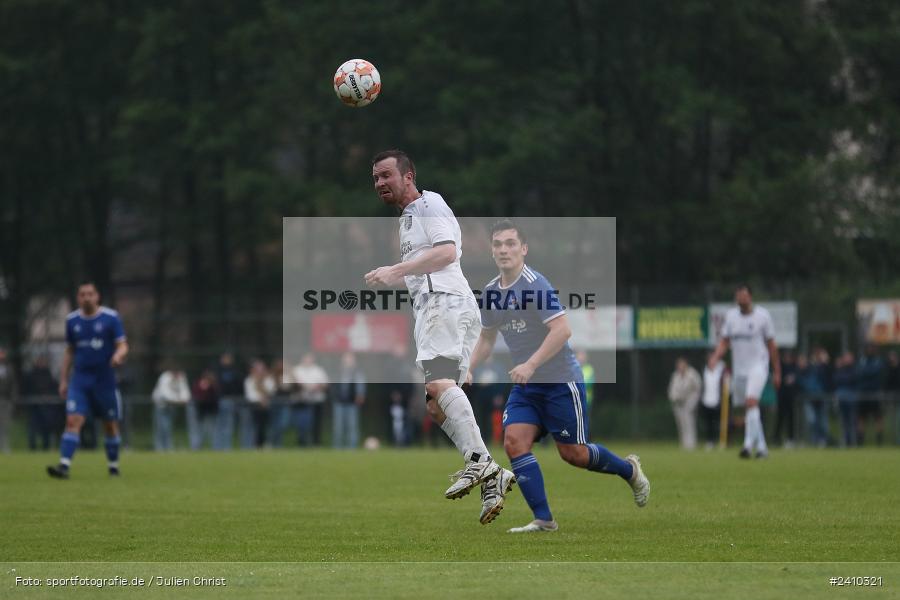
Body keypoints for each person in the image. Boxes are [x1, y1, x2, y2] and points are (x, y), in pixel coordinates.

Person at [467, 220, 649, 533]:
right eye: (497, 244)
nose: (503, 249)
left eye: (510, 243)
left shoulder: (535, 284)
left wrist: (531, 364)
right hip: (526, 386)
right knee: (514, 442)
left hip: (559, 382)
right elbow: (486, 339)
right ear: (491, 251)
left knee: (574, 454)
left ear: (523, 249)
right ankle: (544, 520)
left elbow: (562, 330)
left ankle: (628, 470)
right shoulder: (491, 293)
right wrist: (468, 367)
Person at [366, 150, 511, 523]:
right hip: (450, 304)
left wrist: (398, 270)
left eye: (387, 175)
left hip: (441, 302)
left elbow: (446, 252)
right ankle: (493, 476)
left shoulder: (429, 204)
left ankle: (479, 462)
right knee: (436, 402)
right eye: (376, 178)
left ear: (408, 176)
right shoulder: (410, 218)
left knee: (437, 386)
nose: (380, 183)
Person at [47, 282, 129, 478]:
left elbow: (123, 345)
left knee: (110, 425)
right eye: (82, 294)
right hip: (81, 380)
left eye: (90, 294)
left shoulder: (111, 318)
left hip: (105, 380)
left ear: (97, 296)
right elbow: (69, 351)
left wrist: (119, 355)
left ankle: (113, 466)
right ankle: (64, 466)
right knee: (73, 420)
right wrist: (64, 380)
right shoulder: (72, 320)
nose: (86, 298)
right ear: (78, 298)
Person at [709, 284, 781, 459]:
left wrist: (777, 371)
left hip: (759, 366)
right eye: (738, 296)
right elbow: (724, 341)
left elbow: (772, 345)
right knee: (750, 408)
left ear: (750, 297)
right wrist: (715, 357)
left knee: (751, 402)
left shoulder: (763, 316)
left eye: (744, 295)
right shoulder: (731, 317)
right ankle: (762, 448)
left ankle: (748, 445)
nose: (741, 299)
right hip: (740, 370)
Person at [23, 356, 60, 451]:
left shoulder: (49, 374)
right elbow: (27, 388)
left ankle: (46, 447)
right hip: (34, 406)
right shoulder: (31, 375)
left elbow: (54, 388)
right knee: (32, 429)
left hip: (47, 407)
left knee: (46, 429)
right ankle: (32, 448)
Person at [292, 352, 328, 447]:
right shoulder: (296, 370)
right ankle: (302, 443)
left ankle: (316, 443)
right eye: (306, 358)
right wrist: (301, 387)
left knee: (316, 423)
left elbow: (325, 384)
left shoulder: (319, 370)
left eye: (310, 358)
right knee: (302, 423)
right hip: (301, 401)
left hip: (316, 400)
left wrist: (316, 387)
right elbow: (292, 384)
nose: (308, 361)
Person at [151, 366, 191, 451]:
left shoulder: (181, 377)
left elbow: (185, 393)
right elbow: (165, 394)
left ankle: (168, 447)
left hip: (171, 406)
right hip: (160, 406)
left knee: (168, 427)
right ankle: (159, 448)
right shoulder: (165, 377)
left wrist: (182, 399)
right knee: (160, 427)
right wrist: (178, 400)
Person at [333, 352, 365, 449]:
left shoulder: (357, 372)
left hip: (352, 403)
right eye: (346, 358)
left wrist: (360, 396)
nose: (348, 361)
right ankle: (337, 447)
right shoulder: (338, 371)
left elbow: (361, 385)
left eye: (350, 359)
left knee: (352, 426)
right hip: (339, 402)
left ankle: (352, 447)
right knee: (338, 427)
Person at [668, 357, 702, 450]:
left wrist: (693, 401)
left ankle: (691, 444)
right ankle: (684, 444)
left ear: (686, 365)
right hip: (678, 403)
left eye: (682, 365)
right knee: (681, 424)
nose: (681, 367)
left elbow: (698, 388)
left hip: (690, 402)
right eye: (679, 365)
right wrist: (674, 398)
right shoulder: (675, 376)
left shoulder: (692, 374)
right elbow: (672, 390)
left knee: (689, 423)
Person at [856, 345, 885, 446]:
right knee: (861, 417)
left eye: (872, 348)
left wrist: (866, 372)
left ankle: (879, 439)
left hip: (875, 393)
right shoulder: (862, 361)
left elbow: (874, 371)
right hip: (863, 393)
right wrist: (868, 372)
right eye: (868, 348)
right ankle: (860, 440)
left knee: (878, 417)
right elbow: (859, 372)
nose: (870, 350)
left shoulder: (878, 361)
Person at [243, 359, 275, 448]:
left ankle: (265, 443)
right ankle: (255, 444)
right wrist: (261, 399)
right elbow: (250, 395)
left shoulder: (268, 379)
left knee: (266, 426)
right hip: (255, 406)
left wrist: (261, 387)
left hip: (266, 406)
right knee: (255, 426)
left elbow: (271, 391)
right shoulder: (249, 380)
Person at [701, 352, 727, 450]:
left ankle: (721, 441)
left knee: (718, 423)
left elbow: (725, 369)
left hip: (718, 401)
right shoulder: (705, 370)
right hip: (706, 401)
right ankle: (709, 441)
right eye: (710, 360)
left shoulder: (720, 370)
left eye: (714, 360)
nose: (712, 362)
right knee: (708, 424)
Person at [833, 351, 858, 448]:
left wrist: (843, 378)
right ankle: (845, 441)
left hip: (851, 399)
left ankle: (853, 442)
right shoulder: (840, 369)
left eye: (849, 358)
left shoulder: (854, 369)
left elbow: (852, 379)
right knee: (843, 422)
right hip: (842, 399)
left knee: (852, 421)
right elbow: (836, 379)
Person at [775, 350, 798, 448]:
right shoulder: (781, 368)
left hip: (790, 397)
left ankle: (790, 438)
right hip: (782, 397)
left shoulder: (794, 367)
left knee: (791, 418)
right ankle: (776, 438)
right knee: (780, 418)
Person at [190, 369, 219, 449]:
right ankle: (196, 447)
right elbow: (196, 397)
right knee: (197, 430)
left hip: (210, 411)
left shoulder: (214, 386)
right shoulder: (197, 384)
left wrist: (210, 388)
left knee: (211, 430)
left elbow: (215, 398)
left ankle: (215, 448)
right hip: (199, 411)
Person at [0, 347, 16, 454]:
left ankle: (5, 447)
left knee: (4, 425)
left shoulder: (9, 368)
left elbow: (14, 385)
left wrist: (13, 399)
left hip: (5, 400)